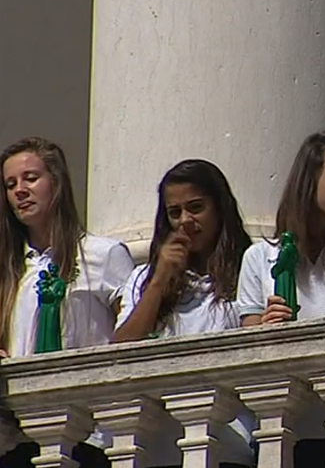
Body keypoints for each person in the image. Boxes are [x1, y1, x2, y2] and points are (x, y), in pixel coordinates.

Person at [235, 130, 325, 468]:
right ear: (308, 180)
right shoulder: (260, 258)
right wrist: (266, 328)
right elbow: (247, 349)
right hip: (284, 428)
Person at [0, 137, 134, 468]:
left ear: (56, 183)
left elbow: (133, 336)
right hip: (19, 440)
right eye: (10, 184)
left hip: (89, 435)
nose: (20, 190)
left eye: (31, 178)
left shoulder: (103, 255)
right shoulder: (9, 271)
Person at [113, 159, 255, 467]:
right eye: (174, 212)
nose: (185, 221)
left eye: (196, 207)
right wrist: (160, 280)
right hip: (158, 447)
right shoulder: (143, 278)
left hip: (228, 442)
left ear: (219, 209)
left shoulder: (250, 268)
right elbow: (121, 351)